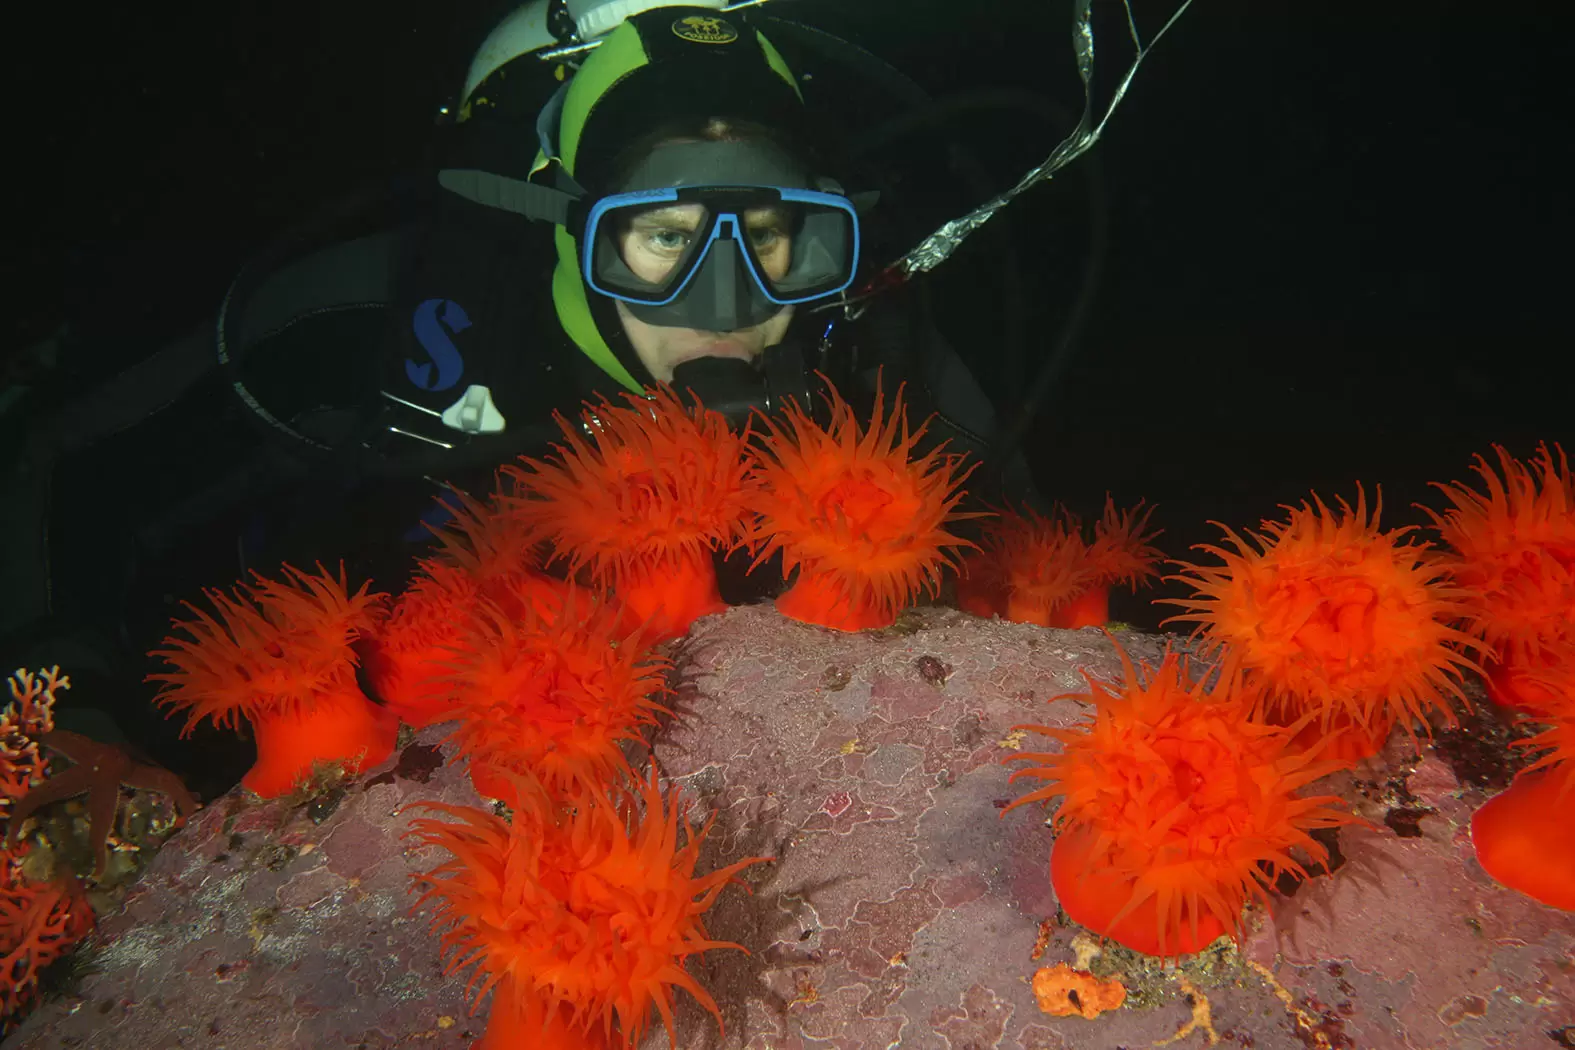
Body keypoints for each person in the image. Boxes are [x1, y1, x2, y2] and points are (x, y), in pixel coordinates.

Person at [0, 3, 1041, 731]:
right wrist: (61, 709)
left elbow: (1022, 562)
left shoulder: (871, 352)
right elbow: (56, 456)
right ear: (566, 230)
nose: (726, 302)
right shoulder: (365, 315)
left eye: (768, 235)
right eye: (663, 239)